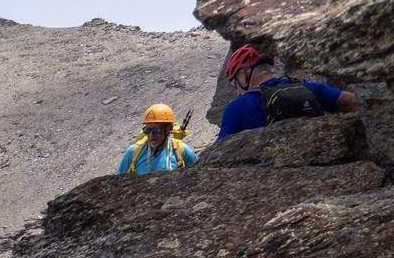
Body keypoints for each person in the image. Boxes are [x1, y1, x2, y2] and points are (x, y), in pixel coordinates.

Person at [218, 44, 359, 139]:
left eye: (234, 82)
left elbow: (218, 154)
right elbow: (351, 102)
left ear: (244, 73)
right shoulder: (306, 86)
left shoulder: (236, 108)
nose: (236, 88)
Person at [117, 104, 197, 173]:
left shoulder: (182, 150)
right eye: (148, 130)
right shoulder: (132, 152)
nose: (151, 135)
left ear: (168, 129)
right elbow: (119, 182)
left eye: (156, 130)